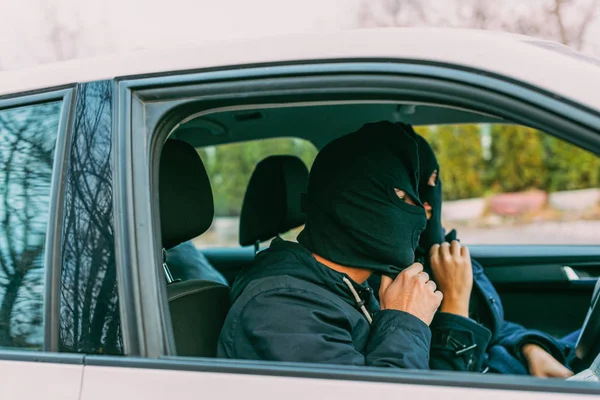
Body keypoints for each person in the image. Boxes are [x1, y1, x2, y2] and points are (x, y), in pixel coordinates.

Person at [218, 121, 490, 370]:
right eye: (401, 196)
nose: (419, 212)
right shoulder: (279, 310)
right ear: (353, 202)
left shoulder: (348, 288)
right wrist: (407, 321)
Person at [414, 132, 574, 377]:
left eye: (434, 179)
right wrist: (455, 303)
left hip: (522, 366)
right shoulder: (396, 282)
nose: (427, 195)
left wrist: (531, 348)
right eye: (408, 186)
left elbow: (492, 327)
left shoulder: (444, 251)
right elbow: (443, 387)